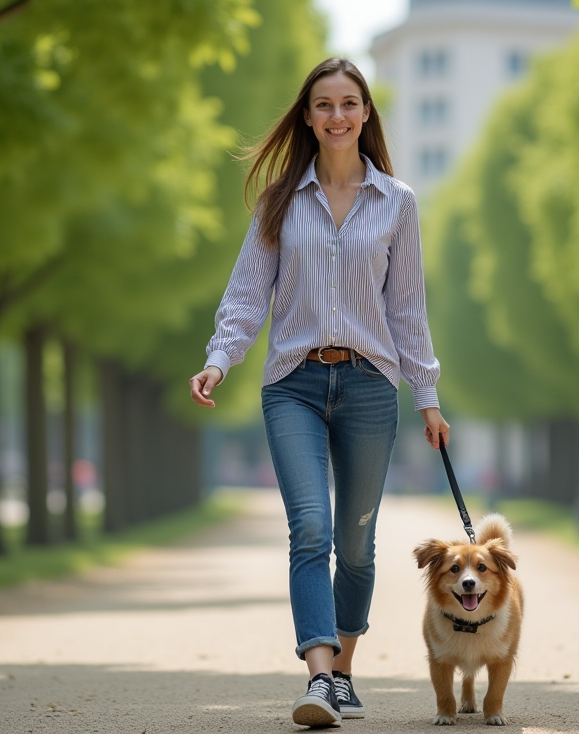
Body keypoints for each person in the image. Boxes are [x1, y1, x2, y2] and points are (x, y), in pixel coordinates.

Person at [189, 56, 449, 728]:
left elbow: (407, 310)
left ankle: (343, 673)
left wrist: (427, 396)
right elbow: (248, 294)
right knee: (308, 529)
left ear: (366, 115)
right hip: (293, 386)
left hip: (367, 386)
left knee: (355, 542)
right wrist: (219, 360)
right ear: (307, 116)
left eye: (349, 103)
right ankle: (319, 677)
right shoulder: (280, 201)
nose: (337, 116)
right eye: (323, 104)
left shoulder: (399, 203)